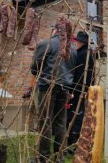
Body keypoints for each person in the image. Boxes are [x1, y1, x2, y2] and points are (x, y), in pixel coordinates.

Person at [31, 24, 76, 163]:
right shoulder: (72, 49)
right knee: (61, 122)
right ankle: (60, 156)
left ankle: (43, 157)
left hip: (47, 87)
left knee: (45, 121)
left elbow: (34, 67)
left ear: (55, 31)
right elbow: (73, 70)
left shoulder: (46, 44)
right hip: (64, 88)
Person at [67, 31, 95, 151]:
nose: (75, 43)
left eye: (76, 41)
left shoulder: (83, 54)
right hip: (82, 88)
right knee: (78, 114)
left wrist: (73, 89)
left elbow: (79, 74)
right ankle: (74, 140)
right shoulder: (87, 53)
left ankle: (73, 142)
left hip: (79, 89)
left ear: (81, 42)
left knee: (76, 115)